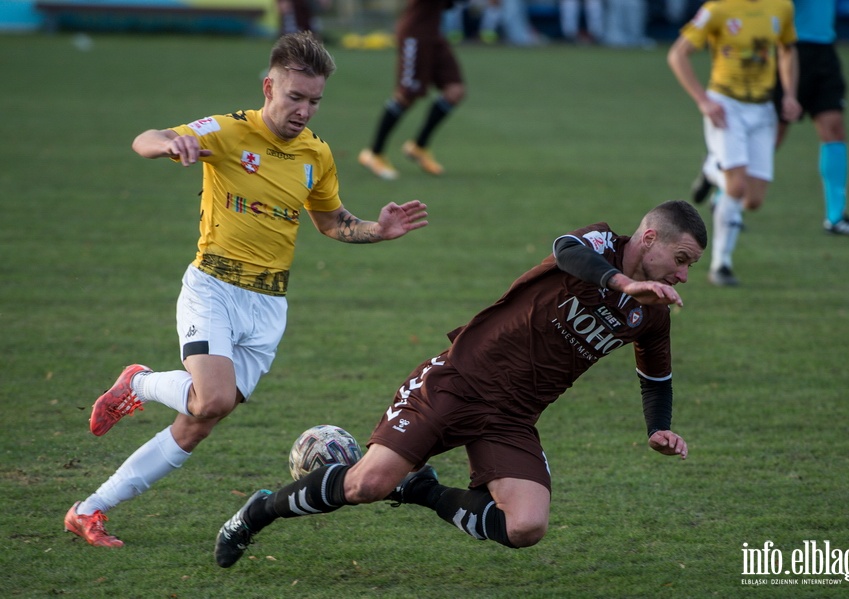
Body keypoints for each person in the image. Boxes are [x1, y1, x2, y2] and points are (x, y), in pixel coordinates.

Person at [63, 32, 429, 548]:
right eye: (295, 97)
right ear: (268, 87)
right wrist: (171, 142)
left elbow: (330, 222)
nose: (304, 110)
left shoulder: (316, 155)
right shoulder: (229, 132)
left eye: (315, 101)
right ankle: (140, 383)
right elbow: (144, 138)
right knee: (210, 399)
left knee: (198, 422)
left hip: (268, 305)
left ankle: (88, 510)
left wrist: (376, 229)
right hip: (212, 287)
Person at [213, 200, 707, 568]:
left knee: (527, 526)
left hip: (512, 419)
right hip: (457, 382)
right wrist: (624, 283)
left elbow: (656, 380)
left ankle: (423, 490)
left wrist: (658, 429)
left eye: (691, 266)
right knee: (366, 484)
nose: (683, 275)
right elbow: (567, 251)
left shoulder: (651, 314)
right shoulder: (600, 244)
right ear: (647, 238)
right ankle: (257, 513)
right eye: (681, 258)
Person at [689, 0, 849, 236]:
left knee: (834, 128)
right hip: (784, 48)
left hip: (824, 47)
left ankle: (835, 217)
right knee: (774, 136)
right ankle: (722, 188)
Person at [667, 0, 800, 286]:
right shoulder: (717, 10)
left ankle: (711, 169)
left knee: (753, 200)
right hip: (726, 106)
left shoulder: (781, 7)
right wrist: (703, 101)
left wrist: (789, 94)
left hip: (763, 110)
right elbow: (678, 54)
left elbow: (788, 49)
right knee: (736, 187)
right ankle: (721, 265)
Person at [358, 0, 467, 180]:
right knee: (406, 95)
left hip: (433, 34)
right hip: (415, 35)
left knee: (455, 90)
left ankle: (419, 146)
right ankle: (374, 153)